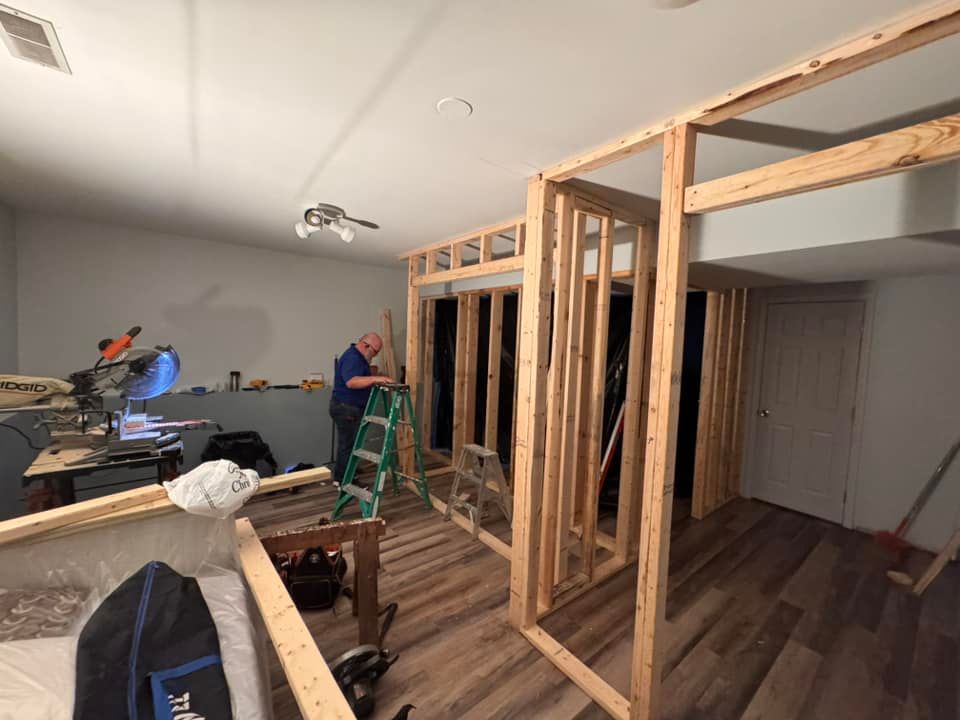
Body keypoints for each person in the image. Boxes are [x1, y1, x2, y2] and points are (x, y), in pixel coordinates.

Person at [329, 332, 392, 485]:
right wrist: (376, 378)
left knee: (350, 444)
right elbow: (351, 381)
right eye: (375, 352)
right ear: (365, 345)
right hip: (346, 409)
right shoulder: (353, 358)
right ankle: (343, 480)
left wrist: (372, 375)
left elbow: (359, 376)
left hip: (348, 408)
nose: (375, 355)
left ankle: (347, 471)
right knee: (347, 445)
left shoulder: (358, 358)